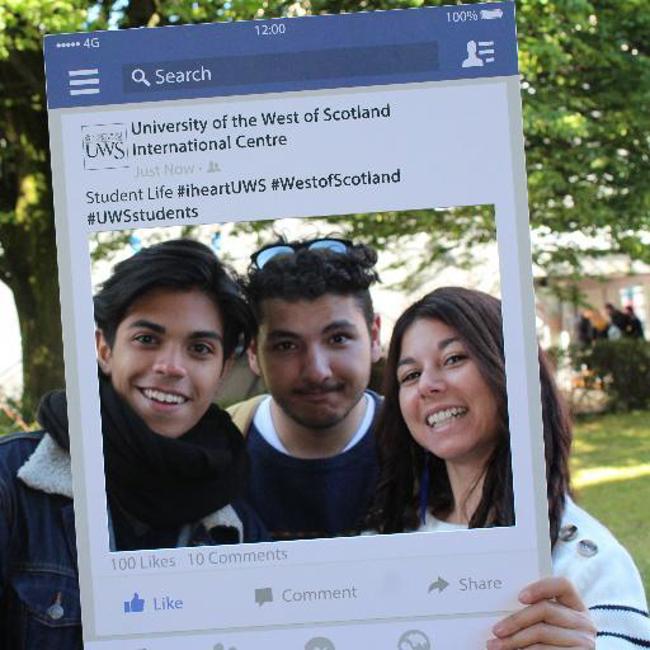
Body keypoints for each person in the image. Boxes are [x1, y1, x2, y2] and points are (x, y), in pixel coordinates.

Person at [0, 239, 266, 649]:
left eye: (199, 349)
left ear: (222, 370)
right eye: (147, 339)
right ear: (104, 349)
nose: (170, 367)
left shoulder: (242, 514)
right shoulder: (12, 485)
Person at [370, 287, 649, 648]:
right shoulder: (384, 544)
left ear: (508, 369)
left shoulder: (585, 561)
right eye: (409, 375)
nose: (427, 385)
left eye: (454, 358)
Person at [229, 236, 382, 540]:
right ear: (252, 353)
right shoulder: (214, 449)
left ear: (374, 337)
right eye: (286, 345)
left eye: (338, 339)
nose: (316, 371)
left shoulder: (427, 446)